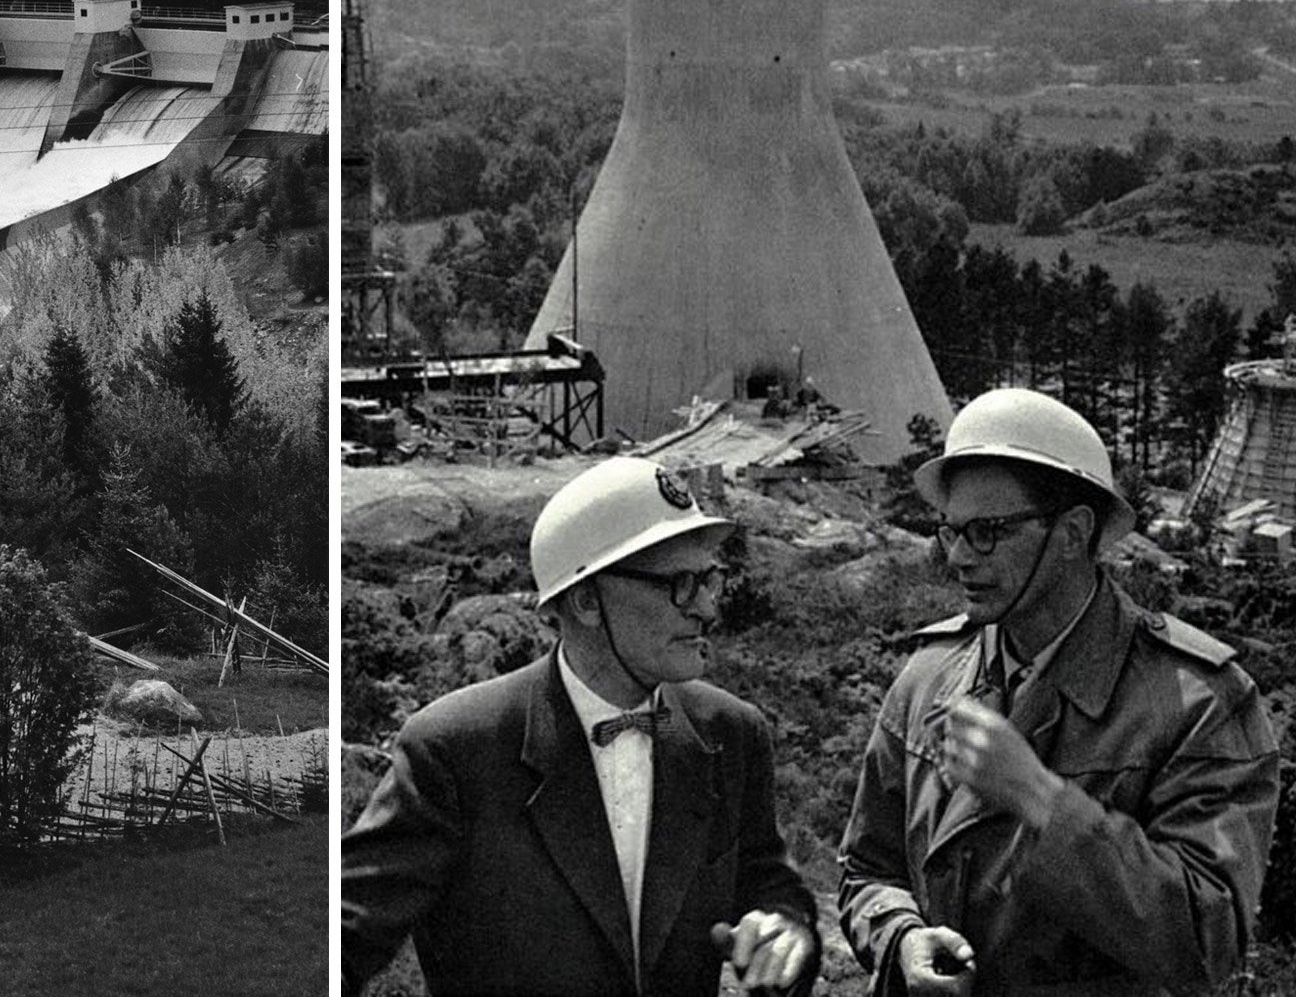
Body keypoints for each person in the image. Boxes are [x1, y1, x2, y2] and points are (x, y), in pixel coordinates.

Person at [838, 388, 1279, 996]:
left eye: (989, 532)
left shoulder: (1198, 703)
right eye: (952, 531)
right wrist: (900, 937)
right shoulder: (929, 676)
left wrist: (1042, 800)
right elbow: (867, 867)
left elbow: (1210, 941)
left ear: (1073, 533)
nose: (960, 557)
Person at [343, 457, 819, 997]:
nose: (708, 608)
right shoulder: (455, 748)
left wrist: (786, 930)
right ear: (587, 601)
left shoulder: (730, 733)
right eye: (681, 584)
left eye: (710, 579)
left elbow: (771, 885)